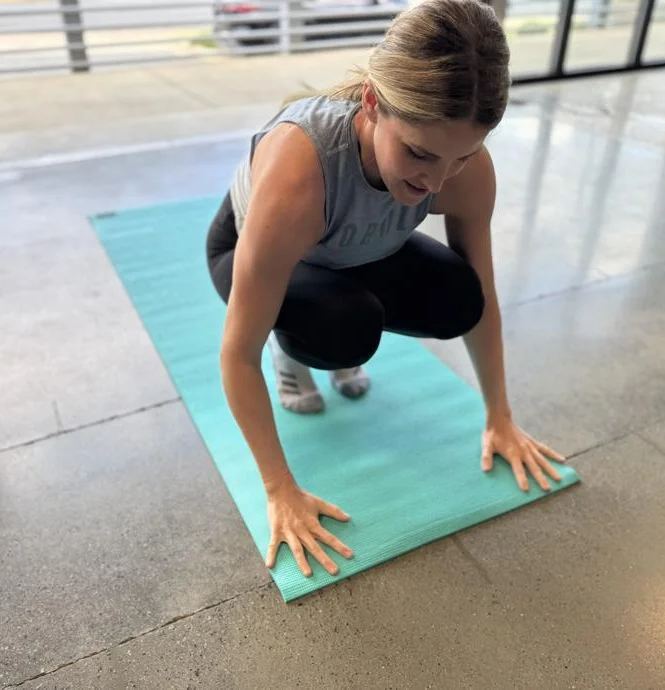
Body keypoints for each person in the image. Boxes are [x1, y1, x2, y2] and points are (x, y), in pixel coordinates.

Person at [205, 0, 566, 579]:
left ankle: (330, 314)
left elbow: (484, 303)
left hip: (357, 247)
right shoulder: (299, 174)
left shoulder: (462, 169)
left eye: (461, 156)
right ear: (372, 103)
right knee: (344, 330)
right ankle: (292, 350)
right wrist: (279, 490)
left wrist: (499, 416)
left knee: (460, 297)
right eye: (419, 153)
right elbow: (234, 351)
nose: (436, 181)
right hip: (261, 250)